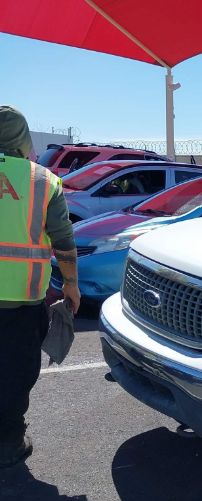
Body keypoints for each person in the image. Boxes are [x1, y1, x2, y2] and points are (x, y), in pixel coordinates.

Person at [0, 105, 80, 467]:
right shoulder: (42, 181)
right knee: (16, 372)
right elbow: (63, 242)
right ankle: (8, 442)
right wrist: (72, 287)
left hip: (22, 303)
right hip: (21, 301)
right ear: (23, 138)